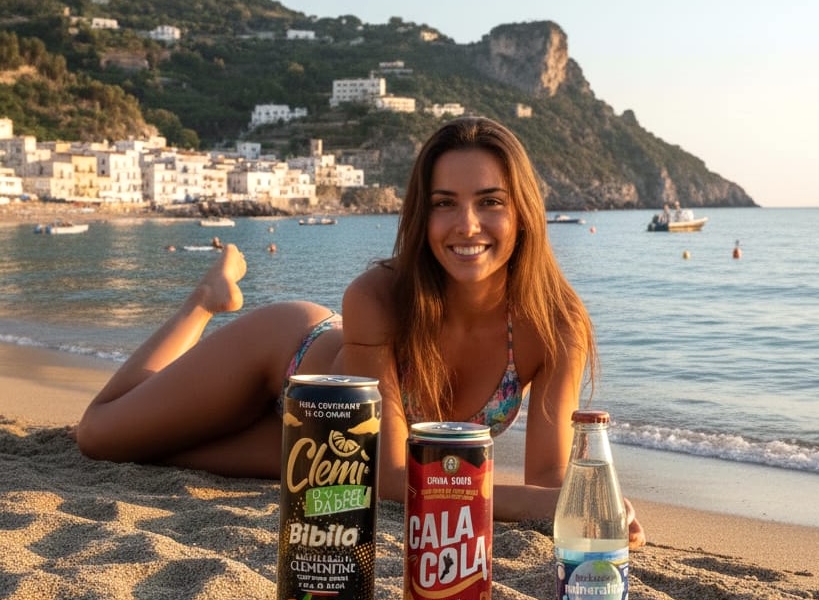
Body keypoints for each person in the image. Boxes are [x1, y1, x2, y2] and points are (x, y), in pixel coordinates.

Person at [76, 117, 645, 548]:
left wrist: (582, 505)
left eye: (490, 202)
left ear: (522, 212)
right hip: (283, 354)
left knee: (167, 456)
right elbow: (394, 480)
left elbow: (548, 481)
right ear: (422, 215)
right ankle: (206, 301)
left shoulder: (556, 324)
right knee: (100, 437)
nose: (467, 225)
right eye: (445, 204)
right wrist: (562, 504)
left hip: (329, 452)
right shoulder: (378, 297)